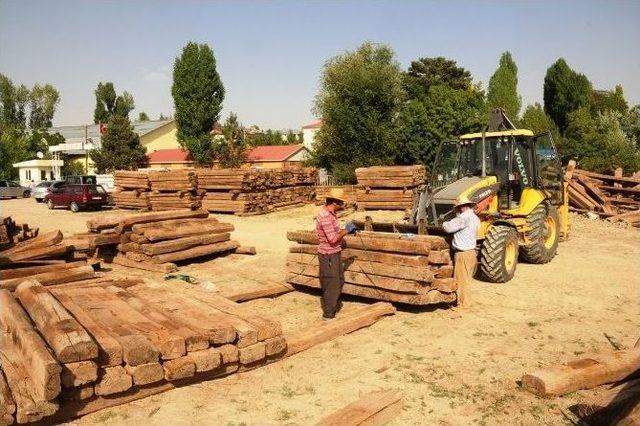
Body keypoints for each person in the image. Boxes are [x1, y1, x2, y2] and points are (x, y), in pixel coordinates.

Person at [315, 188, 356, 320]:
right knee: (331, 283)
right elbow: (332, 238)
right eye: (341, 204)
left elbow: (336, 231)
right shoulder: (325, 216)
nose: (342, 206)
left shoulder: (331, 214)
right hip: (328, 255)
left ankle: (333, 306)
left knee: (339, 280)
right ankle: (328, 315)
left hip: (334, 253)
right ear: (334, 203)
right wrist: (346, 231)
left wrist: (345, 229)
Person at [442, 196, 480, 308]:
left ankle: (463, 305)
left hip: (463, 254)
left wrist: (443, 223)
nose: (457, 210)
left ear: (461, 207)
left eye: (457, 208)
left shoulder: (463, 218)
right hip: (471, 252)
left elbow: (448, 228)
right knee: (466, 279)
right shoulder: (475, 218)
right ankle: (464, 303)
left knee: (462, 281)